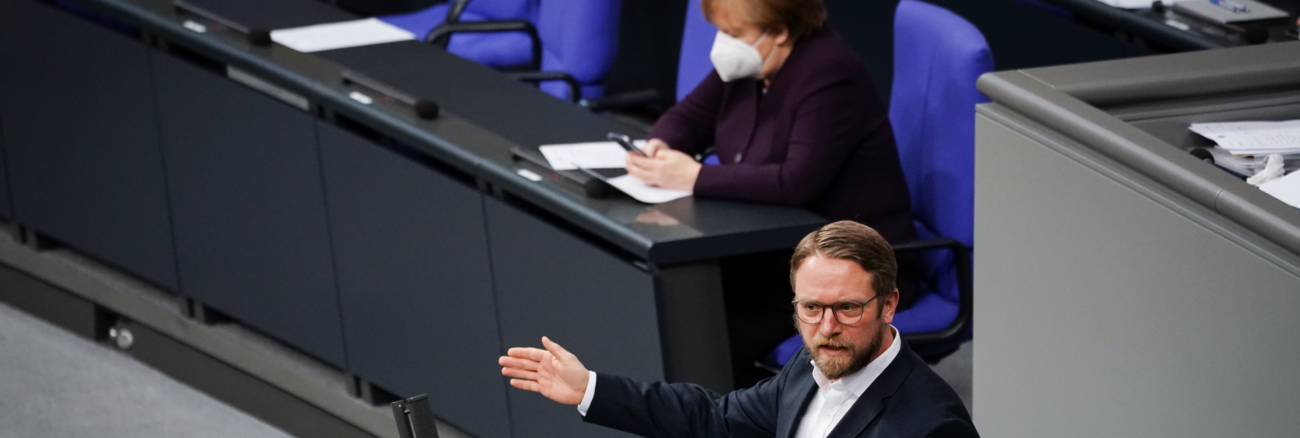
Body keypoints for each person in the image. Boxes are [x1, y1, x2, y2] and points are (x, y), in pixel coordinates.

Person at [624, 0, 921, 388]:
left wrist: (695, 176)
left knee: (700, 337)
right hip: (773, 253)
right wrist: (661, 144)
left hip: (848, 272)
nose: (722, 45)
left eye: (734, 34)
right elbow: (686, 117)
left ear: (779, 31)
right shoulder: (750, 65)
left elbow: (797, 180)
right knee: (671, 309)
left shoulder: (830, 74)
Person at [498, 221, 978, 438]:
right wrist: (590, 390)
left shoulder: (933, 427)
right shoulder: (808, 367)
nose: (827, 328)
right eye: (811, 308)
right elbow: (715, 418)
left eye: (848, 308)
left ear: (889, 304)